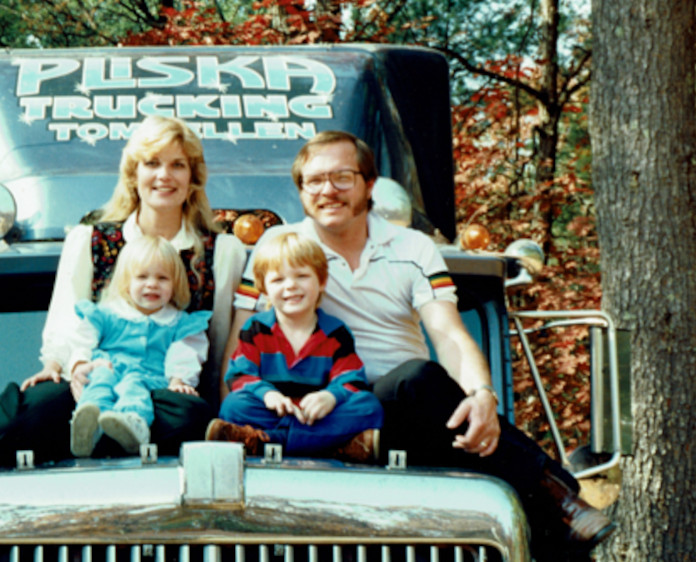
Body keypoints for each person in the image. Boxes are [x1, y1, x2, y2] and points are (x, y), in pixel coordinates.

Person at [222, 131, 615, 556]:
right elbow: (243, 335)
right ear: (300, 190)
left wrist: (481, 396)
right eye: (314, 180)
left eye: (341, 177)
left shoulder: (413, 247)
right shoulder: (281, 248)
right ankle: (558, 502)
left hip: (397, 415)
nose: (327, 190)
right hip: (303, 408)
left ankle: (552, 510)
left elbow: (447, 333)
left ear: (369, 184)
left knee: (420, 382)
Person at [0, 115, 246, 468]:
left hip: (164, 388)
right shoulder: (91, 240)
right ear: (134, 174)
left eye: (177, 165)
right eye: (152, 163)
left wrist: (195, 393)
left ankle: (105, 439)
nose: (164, 176)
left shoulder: (221, 250)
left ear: (193, 177)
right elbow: (67, 320)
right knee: (30, 413)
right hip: (95, 377)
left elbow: (219, 340)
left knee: (191, 418)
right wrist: (65, 365)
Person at [206, 232, 382, 461]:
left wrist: (330, 396)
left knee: (369, 406)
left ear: (321, 282)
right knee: (234, 405)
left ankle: (270, 441)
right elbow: (240, 375)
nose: (291, 286)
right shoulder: (256, 328)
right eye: (278, 280)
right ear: (264, 289)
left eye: (301, 276)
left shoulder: (335, 332)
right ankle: (331, 447)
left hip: (319, 414)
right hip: (271, 410)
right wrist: (267, 394)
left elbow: (351, 378)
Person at [65, 235, 212, 456]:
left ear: (175, 284)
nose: (152, 284)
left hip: (149, 375)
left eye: (162, 278)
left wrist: (178, 379)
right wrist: (80, 363)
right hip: (107, 367)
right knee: (100, 378)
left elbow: (186, 353)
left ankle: (134, 426)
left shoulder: (178, 323)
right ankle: (89, 425)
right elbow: (82, 338)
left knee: (133, 384)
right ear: (126, 282)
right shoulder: (106, 314)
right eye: (142, 277)